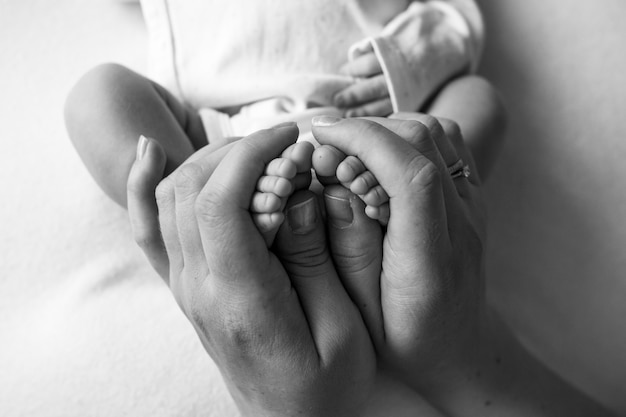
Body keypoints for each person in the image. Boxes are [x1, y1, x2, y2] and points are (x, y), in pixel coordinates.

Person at [126, 116, 615, 416]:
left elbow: (478, 95)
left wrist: (405, 68)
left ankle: (208, 203)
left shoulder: (417, 17)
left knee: (453, 123)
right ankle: (195, 197)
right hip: (230, 148)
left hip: (386, 153)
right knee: (99, 93)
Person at [64, 0, 504, 239]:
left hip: (377, 128)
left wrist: (409, 59)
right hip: (222, 141)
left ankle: (415, 202)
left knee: (477, 100)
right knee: (98, 96)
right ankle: (210, 215)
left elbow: (456, 18)